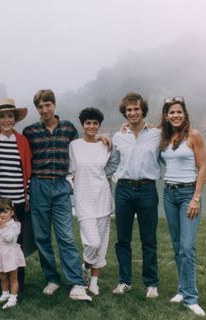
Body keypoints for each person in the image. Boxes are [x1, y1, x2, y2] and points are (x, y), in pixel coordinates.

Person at [22, 89, 92, 301]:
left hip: (61, 187)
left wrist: (103, 140)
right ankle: (52, 278)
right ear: (37, 109)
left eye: (48, 105)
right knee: (42, 238)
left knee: (66, 237)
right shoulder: (30, 131)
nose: (44, 110)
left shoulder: (69, 129)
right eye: (40, 107)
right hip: (38, 186)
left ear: (54, 105)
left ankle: (77, 283)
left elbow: (80, 152)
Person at [159, 96, 206, 317]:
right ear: (166, 116)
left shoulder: (193, 136)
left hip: (188, 194)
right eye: (171, 113)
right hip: (169, 194)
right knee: (178, 246)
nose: (175, 115)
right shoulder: (164, 138)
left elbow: (203, 167)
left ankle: (191, 298)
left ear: (184, 114)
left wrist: (196, 197)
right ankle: (182, 289)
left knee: (187, 248)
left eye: (179, 112)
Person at [0, 98, 36, 295]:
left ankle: (18, 283)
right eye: (2, 117)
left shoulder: (22, 141)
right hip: (0, 201)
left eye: (10, 116)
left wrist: (27, 196)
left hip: (19, 201)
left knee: (16, 243)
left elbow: (27, 171)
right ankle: (1, 284)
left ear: (15, 119)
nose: (6, 120)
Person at [111, 92, 161, 298]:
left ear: (143, 111)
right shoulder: (118, 136)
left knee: (148, 239)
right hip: (123, 189)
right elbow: (112, 162)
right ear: (125, 113)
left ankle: (151, 283)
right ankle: (124, 281)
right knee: (123, 239)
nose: (133, 113)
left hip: (147, 189)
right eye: (129, 110)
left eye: (136, 109)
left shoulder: (156, 134)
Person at [69, 107, 119, 296]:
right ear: (82, 125)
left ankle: (94, 282)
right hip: (83, 199)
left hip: (103, 199)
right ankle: (85, 266)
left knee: (102, 242)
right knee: (92, 242)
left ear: (99, 125)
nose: (91, 126)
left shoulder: (106, 145)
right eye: (88, 123)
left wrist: (101, 174)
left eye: (95, 123)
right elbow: (69, 170)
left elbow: (115, 163)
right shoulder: (74, 146)